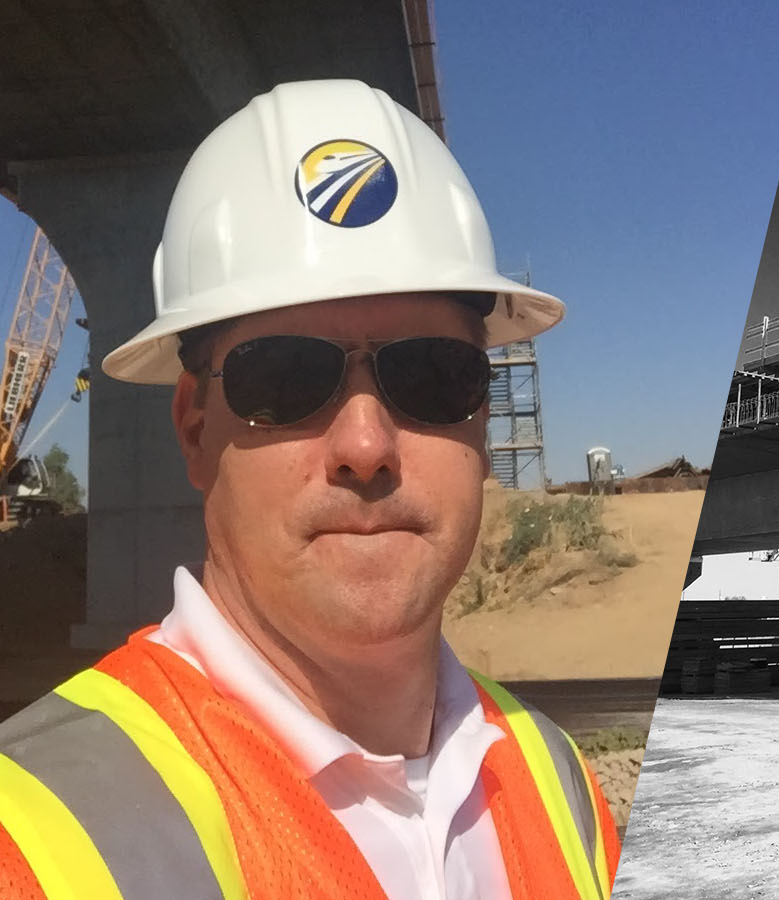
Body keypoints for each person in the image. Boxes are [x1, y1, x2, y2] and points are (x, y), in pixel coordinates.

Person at [0, 80, 618, 899]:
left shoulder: (560, 783)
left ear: (479, 417)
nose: (366, 446)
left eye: (432, 374)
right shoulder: (36, 839)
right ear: (193, 429)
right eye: (285, 378)